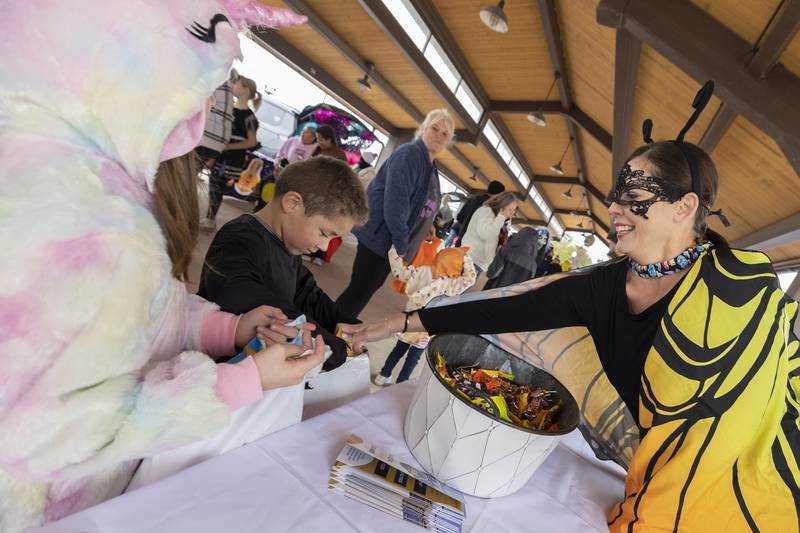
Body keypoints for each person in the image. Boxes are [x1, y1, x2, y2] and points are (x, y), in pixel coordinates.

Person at [344, 128, 800, 530]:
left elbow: (730, 428)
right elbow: (504, 310)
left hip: (764, 491)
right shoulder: (604, 286)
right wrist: (397, 323)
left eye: (634, 198)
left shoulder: (740, 291)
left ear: (685, 207)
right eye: (616, 196)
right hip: (664, 487)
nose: (615, 209)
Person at [0, 2, 313, 530]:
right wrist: (237, 383)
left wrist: (226, 327)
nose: (197, 121)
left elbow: (146, 310)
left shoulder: (116, 185)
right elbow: (45, 435)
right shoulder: (75, 221)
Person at [198, 157, 368, 373]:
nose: (325, 247)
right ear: (292, 203)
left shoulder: (287, 247)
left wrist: (351, 326)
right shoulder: (239, 239)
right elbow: (264, 309)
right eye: (324, 233)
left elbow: (309, 295)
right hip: (218, 372)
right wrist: (336, 349)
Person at [335, 109, 455, 319]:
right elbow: (396, 203)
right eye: (435, 128)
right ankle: (328, 329)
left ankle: (334, 326)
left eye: (445, 134)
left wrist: (428, 224)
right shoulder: (410, 154)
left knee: (364, 290)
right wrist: (402, 244)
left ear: (448, 141)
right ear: (424, 129)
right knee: (359, 291)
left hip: (390, 240)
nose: (438, 135)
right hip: (382, 237)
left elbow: (420, 200)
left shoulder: (429, 164)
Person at [374, 246, 476, 386]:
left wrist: (393, 252)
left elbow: (400, 273)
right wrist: (465, 258)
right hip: (426, 326)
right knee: (414, 357)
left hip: (409, 321)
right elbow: (470, 279)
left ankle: (383, 374)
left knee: (398, 350)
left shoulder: (423, 270)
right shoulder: (451, 284)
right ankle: (401, 383)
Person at [202, 75, 262, 231]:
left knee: (217, 186)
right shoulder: (228, 108)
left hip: (231, 157)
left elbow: (251, 142)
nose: (233, 86)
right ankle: (208, 217)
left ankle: (210, 218)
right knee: (212, 184)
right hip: (218, 150)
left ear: (245, 90)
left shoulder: (249, 117)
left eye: (237, 84)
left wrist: (228, 147)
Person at [461, 191, 518, 276]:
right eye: (510, 209)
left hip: (476, 261)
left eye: (513, 211)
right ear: (502, 205)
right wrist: (501, 217)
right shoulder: (487, 211)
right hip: (472, 259)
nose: (512, 213)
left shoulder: (495, 217)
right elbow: (486, 235)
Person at [451, 180, 506, 246]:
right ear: (498, 194)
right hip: (474, 245)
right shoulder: (491, 207)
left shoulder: (472, 199)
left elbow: (459, 217)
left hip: (462, 238)